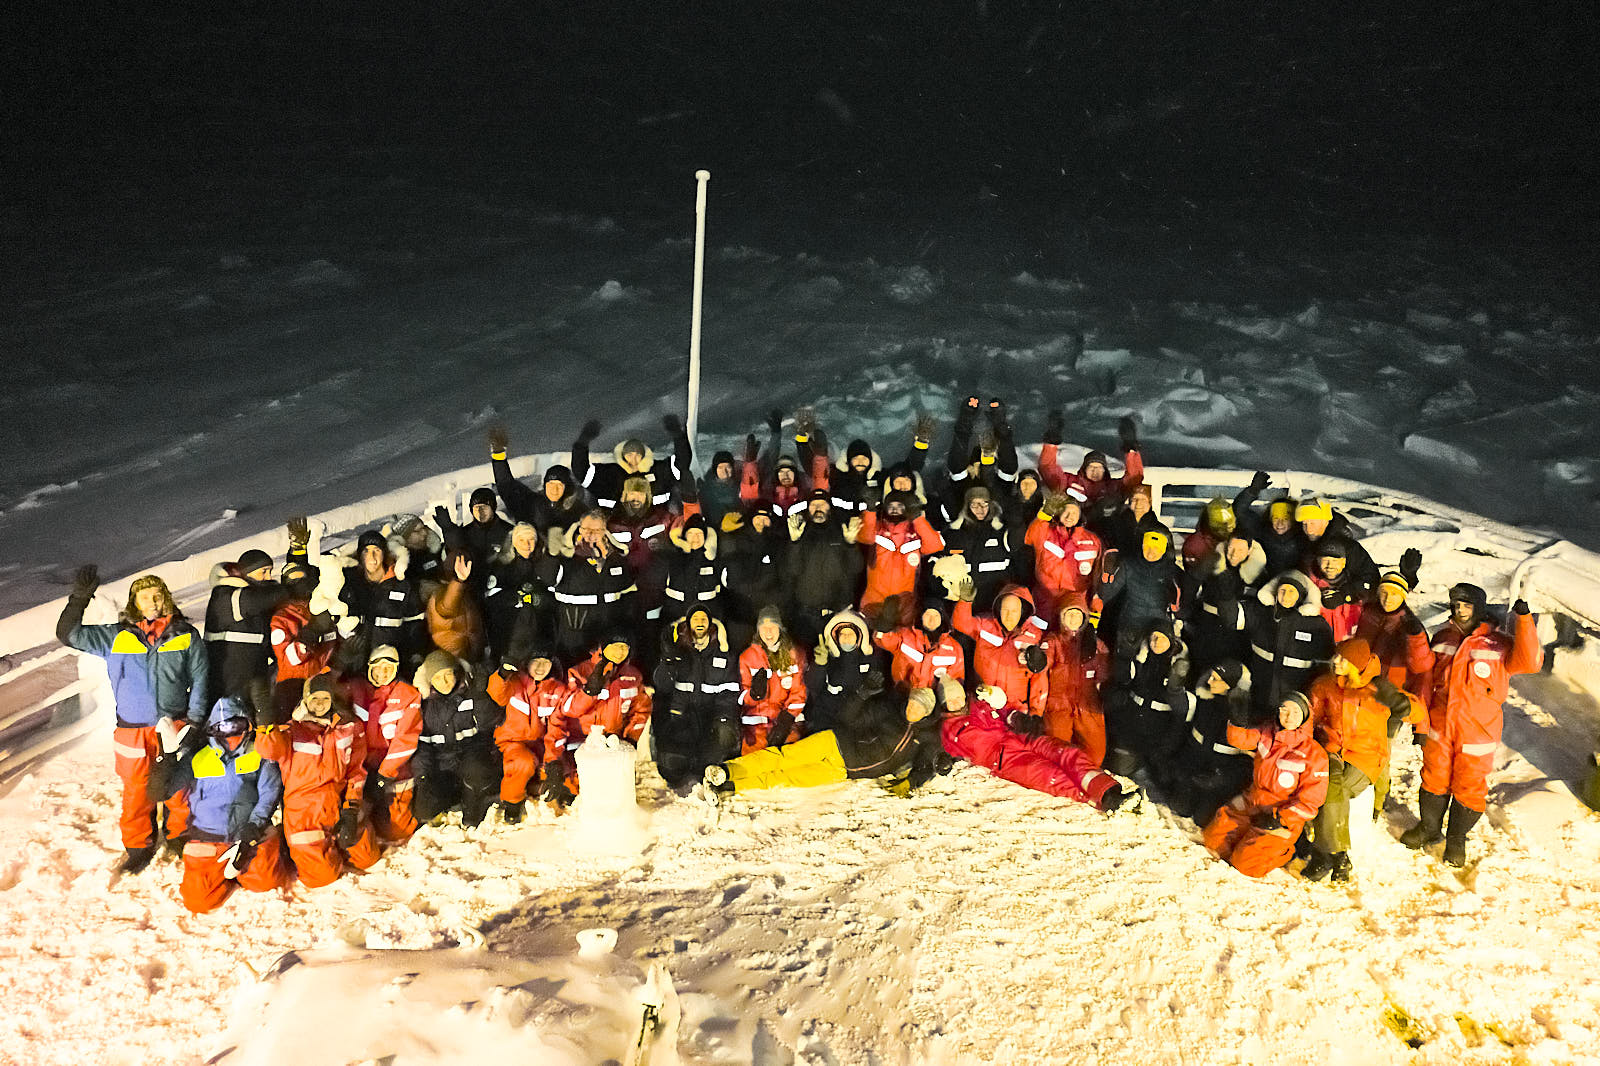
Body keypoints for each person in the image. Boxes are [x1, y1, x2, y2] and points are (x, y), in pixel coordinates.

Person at [57, 566, 207, 873]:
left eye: (157, 595)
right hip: (132, 732)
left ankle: (179, 835)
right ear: (133, 602)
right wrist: (79, 599)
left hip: (175, 726)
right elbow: (68, 634)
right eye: (144, 597)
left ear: (166, 599)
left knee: (180, 787)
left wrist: (194, 721)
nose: (152, 602)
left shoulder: (185, 635)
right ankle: (139, 845)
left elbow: (201, 679)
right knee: (137, 791)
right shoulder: (116, 636)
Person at [1401, 585, 1539, 866]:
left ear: (1479, 607)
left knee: (1469, 785)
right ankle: (1429, 828)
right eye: (1456, 605)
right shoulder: (1443, 637)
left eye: (1466, 605)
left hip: (1478, 731)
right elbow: (1425, 676)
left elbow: (1530, 661)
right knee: (1433, 779)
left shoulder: (1498, 643)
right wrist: (1422, 724)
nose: (1460, 610)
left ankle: (1456, 840)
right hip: (1441, 725)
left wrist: (1524, 619)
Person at [703, 676, 952, 796]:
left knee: (787, 779)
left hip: (843, 771)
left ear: (927, 712)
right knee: (783, 757)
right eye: (913, 702)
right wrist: (861, 695)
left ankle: (731, 785)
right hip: (835, 743)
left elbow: (926, 764)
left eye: (919, 707)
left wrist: (911, 782)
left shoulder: (926, 736)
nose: (913, 708)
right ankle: (727, 770)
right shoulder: (888, 710)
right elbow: (849, 718)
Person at [1301, 639, 1416, 882]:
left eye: (1343, 659)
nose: (1335, 661)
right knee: (1329, 784)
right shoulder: (1324, 685)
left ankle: (1324, 853)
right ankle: (1339, 855)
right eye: (1336, 656)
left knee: (1337, 788)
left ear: (1356, 664)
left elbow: (1418, 712)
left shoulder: (1377, 690)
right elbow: (1310, 718)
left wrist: (1401, 704)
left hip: (1366, 756)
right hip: (1332, 749)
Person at [256, 672, 381, 888]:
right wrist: (265, 723)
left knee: (369, 858)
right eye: (314, 698)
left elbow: (356, 772)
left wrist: (351, 809)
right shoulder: (292, 730)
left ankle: (334, 845)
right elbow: (268, 749)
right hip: (303, 812)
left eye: (325, 698)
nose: (320, 704)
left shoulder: (347, 728)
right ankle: (286, 846)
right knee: (323, 877)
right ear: (305, 700)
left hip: (337, 802)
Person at [165, 696, 289, 912]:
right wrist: (165, 757)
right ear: (213, 729)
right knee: (197, 901)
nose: (231, 732)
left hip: (249, 836)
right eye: (223, 727)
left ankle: (262, 856)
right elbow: (168, 791)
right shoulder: (197, 757)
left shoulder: (259, 753)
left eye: (237, 725)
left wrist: (254, 827)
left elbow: (269, 793)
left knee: (265, 882)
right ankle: (221, 876)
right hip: (209, 838)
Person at [1202, 692, 1329, 879]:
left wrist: (1280, 820)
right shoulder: (1267, 732)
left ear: (1304, 716)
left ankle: (1287, 854)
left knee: (1245, 865)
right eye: (1284, 710)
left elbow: (1310, 802)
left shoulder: (1314, 755)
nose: (1289, 717)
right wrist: (1236, 721)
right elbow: (1241, 740)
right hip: (1253, 801)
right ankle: (1248, 839)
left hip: (1280, 816)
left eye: (1295, 712)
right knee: (1213, 841)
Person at [941, 686, 1125, 810]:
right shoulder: (948, 728)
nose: (957, 702)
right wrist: (941, 759)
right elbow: (941, 749)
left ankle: (1107, 787)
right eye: (950, 700)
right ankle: (1102, 800)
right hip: (1005, 759)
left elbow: (1003, 711)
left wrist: (1015, 717)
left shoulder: (977, 704)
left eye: (958, 696)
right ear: (943, 703)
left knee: (1064, 751)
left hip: (1018, 739)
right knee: (1050, 775)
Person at [546, 632, 653, 804]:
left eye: (624, 647)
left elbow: (641, 709)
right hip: (582, 739)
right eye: (615, 646)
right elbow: (568, 709)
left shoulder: (633, 676)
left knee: (614, 790)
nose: (620, 652)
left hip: (613, 739)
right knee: (579, 786)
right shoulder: (579, 672)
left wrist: (631, 737)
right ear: (603, 648)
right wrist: (588, 692)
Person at [651, 608, 741, 791]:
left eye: (704, 619)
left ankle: (706, 763)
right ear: (688, 624)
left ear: (710, 624)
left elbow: (730, 691)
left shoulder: (723, 654)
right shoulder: (678, 651)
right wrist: (668, 660)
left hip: (712, 718)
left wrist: (723, 717)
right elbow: (663, 686)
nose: (699, 622)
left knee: (709, 763)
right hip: (684, 718)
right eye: (695, 619)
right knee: (671, 768)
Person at [411, 651, 501, 829]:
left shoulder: (469, 693)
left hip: (469, 756)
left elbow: (489, 723)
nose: (444, 682)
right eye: (437, 677)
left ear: (456, 673)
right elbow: (422, 746)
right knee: (424, 809)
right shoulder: (425, 704)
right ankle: (453, 798)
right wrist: (422, 775)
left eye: (447, 674)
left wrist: (480, 694)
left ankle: (473, 801)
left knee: (477, 771)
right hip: (442, 764)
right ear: (430, 681)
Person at [1159, 660, 1253, 822]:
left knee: (1203, 819)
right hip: (1195, 767)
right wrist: (1182, 767)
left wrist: (1221, 778)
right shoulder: (1205, 702)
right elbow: (1190, 737)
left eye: (1216, 679)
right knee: (1180, 806)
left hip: (1218, 776)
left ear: (1229, 685)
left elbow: (1246, 761)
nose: (1209, 681)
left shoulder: (1242, 715)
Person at [485, 643, 570, 822]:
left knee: (556, 769)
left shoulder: (558, 690)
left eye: (545, 662)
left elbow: (556, 728)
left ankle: (539, 790)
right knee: (523, 763)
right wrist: (502, 673)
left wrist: (553, 759)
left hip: (539, 742)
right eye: (535, 662)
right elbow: (496, 693)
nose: (540, 668)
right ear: (527, 663)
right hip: (512, 740)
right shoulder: (515, 681)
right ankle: (512, 802)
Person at [352, 644, 422, 843]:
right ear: (369, 668)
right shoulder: (356, 688)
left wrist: (384, 774)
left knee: (396, 831)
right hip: (362, 762)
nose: (383, 673)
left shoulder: (408, 695)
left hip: (393, 766)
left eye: (388, 669)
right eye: (378, 667)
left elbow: (405, 740)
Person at [204, 546, 290, 706]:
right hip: (229, 681)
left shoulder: (255, 597)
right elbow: (258, 600)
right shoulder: (226, 594)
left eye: (270, 571)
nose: (268, 577)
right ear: (247, 573)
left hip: (254, 676)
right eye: (263, 572)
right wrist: (289, 589)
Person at [1103, 620, 1189, 777]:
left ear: (1170, 640)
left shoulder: (1178, 665)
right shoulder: (1141, 658)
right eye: (1153, 637)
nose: (1156, 642)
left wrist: (1167, 746)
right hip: (1134, 726)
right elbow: (1124, 681)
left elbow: (1181, 714)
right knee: (1119, 768)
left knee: (1161, 777)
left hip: (1159, 732)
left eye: (1161, 638)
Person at [548, 511, 638, 662]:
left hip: (607, 632)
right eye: (587, 529)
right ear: (580, 529)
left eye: (597, 530)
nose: (591, 535)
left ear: (604, 531)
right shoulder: (566, 556)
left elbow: (628, 593)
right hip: (574, 635)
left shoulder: (615, 558)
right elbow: (550, 578)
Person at [1097, 517, 1185, 666]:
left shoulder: (1172, 571)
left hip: (1159, 622)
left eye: (1156, 549)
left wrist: (1177, 608)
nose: (1151, 553)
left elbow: (1181, 600)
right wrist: (1106, 579)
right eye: (1148, 547)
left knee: (1156, 658)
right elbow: (1108, 593)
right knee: (1124, 658)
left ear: (1164, 550)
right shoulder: (1129, 565)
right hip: (1132, 620)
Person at [1245, 571, 1334, 718]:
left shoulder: (1317, 625)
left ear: (1301, 595)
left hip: (1294, 705)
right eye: (1282, 590)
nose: (1286, 596)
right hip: (1260, 696)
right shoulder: (1263, 614)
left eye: (1292, 592)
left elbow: (1325, 666)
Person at [951, 581, 1047, 714]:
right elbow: (961, 623)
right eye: (1005, 610)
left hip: (1015, 709)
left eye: (1014, 611)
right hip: (984, 703)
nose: (1009, 616)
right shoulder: (985, 626)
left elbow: (1039, 678)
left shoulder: (1035, 637)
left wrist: (1035, 712)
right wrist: (965, 602)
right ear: (998, 609)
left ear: (1022, 612)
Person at [782, 492, 863, 648]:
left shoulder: (842, 532)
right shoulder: (800, 533)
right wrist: (795, 542)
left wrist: (851, 544)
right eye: (814, 504)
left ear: (830, 508)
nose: (818, 508)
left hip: (836, 614)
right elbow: (792, 570)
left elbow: (856, 568)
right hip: (805, 616)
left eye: (822, 504)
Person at [267, 554, 339, 726]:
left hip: (320, 685)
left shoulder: (318, 608)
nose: (299, 584)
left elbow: (331, 645)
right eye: (292, 581)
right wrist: (313, 630)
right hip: (291, 686)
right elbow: (291, 658)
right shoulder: (281, 617)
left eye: (302, 579)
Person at [855, 489, 944, 629]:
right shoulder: (877, 528)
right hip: (874, 603)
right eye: (891, 507)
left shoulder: (915, 533)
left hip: (904, 605)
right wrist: (870, 510)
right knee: (873, 643)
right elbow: (864, 536)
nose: (895, 510)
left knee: (899, 646)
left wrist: (917, 518)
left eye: (900, 507)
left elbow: (935, 546)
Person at [1182, 532, 1266, 676]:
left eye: (1240, 550)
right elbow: (1189, 590)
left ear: (1250, 551)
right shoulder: (1213, 565)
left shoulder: (1259, 575)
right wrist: (1198, 572)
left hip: (1237, 637)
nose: (1233, 554)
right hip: (1207, 631)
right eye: (1231, 548)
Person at [339, 529, 426, 669]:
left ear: (384, 553)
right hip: (357, 662)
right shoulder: (351, 583)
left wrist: (415, 655)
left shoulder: (402, 585)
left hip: (390, 663)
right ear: (359, 555)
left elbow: (415, 624)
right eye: (366, 551)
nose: (372, 558)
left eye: (377, 550)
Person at [1041, 594, 1110, 766]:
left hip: (1087, 705)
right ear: (1062, 617)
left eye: (1078, 615)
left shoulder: (1095, 644)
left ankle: (1086, 776)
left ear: (1084, 618)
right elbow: (1044, 661)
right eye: (1069, 614)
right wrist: (1037, 659)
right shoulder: (1053, 640)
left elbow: (1105, 675)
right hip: (1059, 705)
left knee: (1095, 756)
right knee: (1056, 755)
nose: (1073, 619)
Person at [571, 415, 691, 512]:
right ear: (623, 456)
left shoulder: (659, 471)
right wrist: (582, 442)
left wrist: (678, 436)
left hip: (654, 527)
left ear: (643, 456)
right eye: (629, 455)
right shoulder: (610, 474)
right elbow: (582, 472)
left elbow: (682, 462)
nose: (633, 459)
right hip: (617, 528)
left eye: (638, 455)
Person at [488, 426, 587, 535]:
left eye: (559, 485)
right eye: (550, 484)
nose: (554, 490)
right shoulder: (530, 503)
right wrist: (498, 456)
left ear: (567, 487)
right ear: (544, 486)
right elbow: (506, 485)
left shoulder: (578, 511)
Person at [737, 606, 809, 754]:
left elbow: (799, 692)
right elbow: (740, 695)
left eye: (773, 627)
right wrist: (753, 695)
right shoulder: (748, 657)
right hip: (755, 726)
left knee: (788, 760)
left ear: (780, 629)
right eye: (764, 627)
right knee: (753, 765)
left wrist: (787, 719)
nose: (768, 632)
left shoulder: (794, 655)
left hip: (786, 722)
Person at [940, 486, 1019, 613]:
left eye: (984, 504)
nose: (980, 509)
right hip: (963, 600)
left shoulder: (1001, 532)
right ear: (967, 507)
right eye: (974, 505)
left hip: (994, 600)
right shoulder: (954, 534)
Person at [484, 522, 555, 663]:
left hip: (538, 633)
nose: (526, 545)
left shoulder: (543, 564)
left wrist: (538, 599)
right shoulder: (501, 566)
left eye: (531, 540)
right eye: (522, 540)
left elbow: (554, 597)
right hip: (508, 633)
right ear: (514, 542)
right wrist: (516, 598)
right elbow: (491, 600)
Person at [1024, 495, 1102, 623]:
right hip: (1044, 599)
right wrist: (1046, 512)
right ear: (1059, 513)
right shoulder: (1046, 532)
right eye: (1066, 511)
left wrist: (1095, 603)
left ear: (1080, 516)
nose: (1069, 516)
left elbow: (1098, 573)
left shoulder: (1093, 540)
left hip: (1074, 603)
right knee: (1042, 636)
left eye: (1074, 512)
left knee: (1069, 639)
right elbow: (1030, 535)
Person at [810, 609, 881, 734]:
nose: (847, 638)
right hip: (827, 717)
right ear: (836, 637)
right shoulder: (826, 655)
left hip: (857, 719)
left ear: (859, 636)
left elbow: (877, 690)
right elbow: (813, 686)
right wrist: (819, 665)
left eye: (851, 634)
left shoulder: (869, 659)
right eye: (843, 634)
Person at [873, 601, 965, 691]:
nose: (932, 620)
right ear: (921, 616)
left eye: (936, 615)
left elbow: (956, 681)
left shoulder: (954, 649)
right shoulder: (905, 635)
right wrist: (884, 625)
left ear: (942, 619)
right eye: (928, 614)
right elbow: (883, 639)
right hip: (902, 693)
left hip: (931, 700)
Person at [434, 488, 513, 582]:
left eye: (484, 507)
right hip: (473, 582)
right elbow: (455, 551)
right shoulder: (465, 532)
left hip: (503, 582)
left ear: (493, 507)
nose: (480, 512)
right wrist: (449, 529)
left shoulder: (508, 531)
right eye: (476, 508)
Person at [1305, 539, 1371, 643]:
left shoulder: (1356, 589)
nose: (1330, 566)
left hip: (1347, 651)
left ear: (1343, 562)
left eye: (1335, 561)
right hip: (1318, 649)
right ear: (1318, 561)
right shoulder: (1309, 586)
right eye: (1325, 560)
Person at [425, 549, 485, 663]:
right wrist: (459, 581)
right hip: (451, 659)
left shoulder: (467, 594)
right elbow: (447, 608)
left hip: (467, 656)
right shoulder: (441, 593)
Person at [1182, 498, 1237, 570]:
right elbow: (1194, 576)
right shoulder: (1194, 546)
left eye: (1233, 520)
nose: (1233, 526)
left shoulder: (1233, 538)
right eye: (1226, 522)